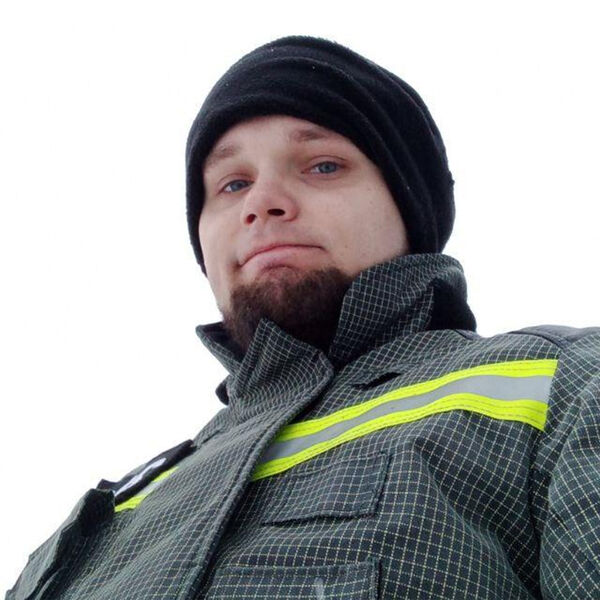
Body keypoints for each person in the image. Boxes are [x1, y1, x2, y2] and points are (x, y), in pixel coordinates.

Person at [6, 35, 600, 600]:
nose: (261, 202)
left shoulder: (567, 384)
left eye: (322, 166)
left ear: (408, 205)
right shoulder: (104, 516)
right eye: (232, 183)